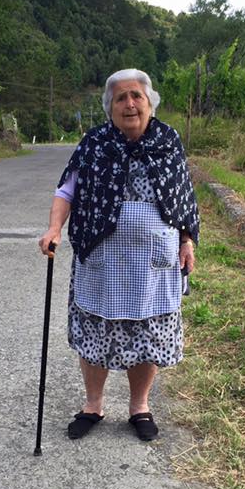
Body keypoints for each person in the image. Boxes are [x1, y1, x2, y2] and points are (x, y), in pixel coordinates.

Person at [38, 68, 199, 442]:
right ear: (109, 107)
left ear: (150, 102)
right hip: (101, 254)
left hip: (155, 261)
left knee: (148, 331)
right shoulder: (94, 143)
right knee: (97, 328)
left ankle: (139, 406)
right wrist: (54, 228)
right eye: (120, 98)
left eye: (136, 96)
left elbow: (184, 196)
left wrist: (187, 241)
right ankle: (93, 405)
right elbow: (67, 190)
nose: (129, 104)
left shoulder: (168, 141)